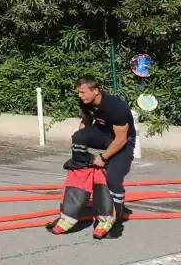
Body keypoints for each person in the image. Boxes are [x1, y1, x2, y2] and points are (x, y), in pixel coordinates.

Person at [48, 76, 135, 238]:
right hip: (101, 134)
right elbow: (86, 121)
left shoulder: (115, 107)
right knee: (79, 138)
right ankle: (81, 165)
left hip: (122, 142)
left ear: (95, 91)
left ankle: (114, 217)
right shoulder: (86, 102)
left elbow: (121, 139)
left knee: (113, 179)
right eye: (78, 92)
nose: (79, 95)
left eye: (82, 92)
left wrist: (103, 158)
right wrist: (78, 146)